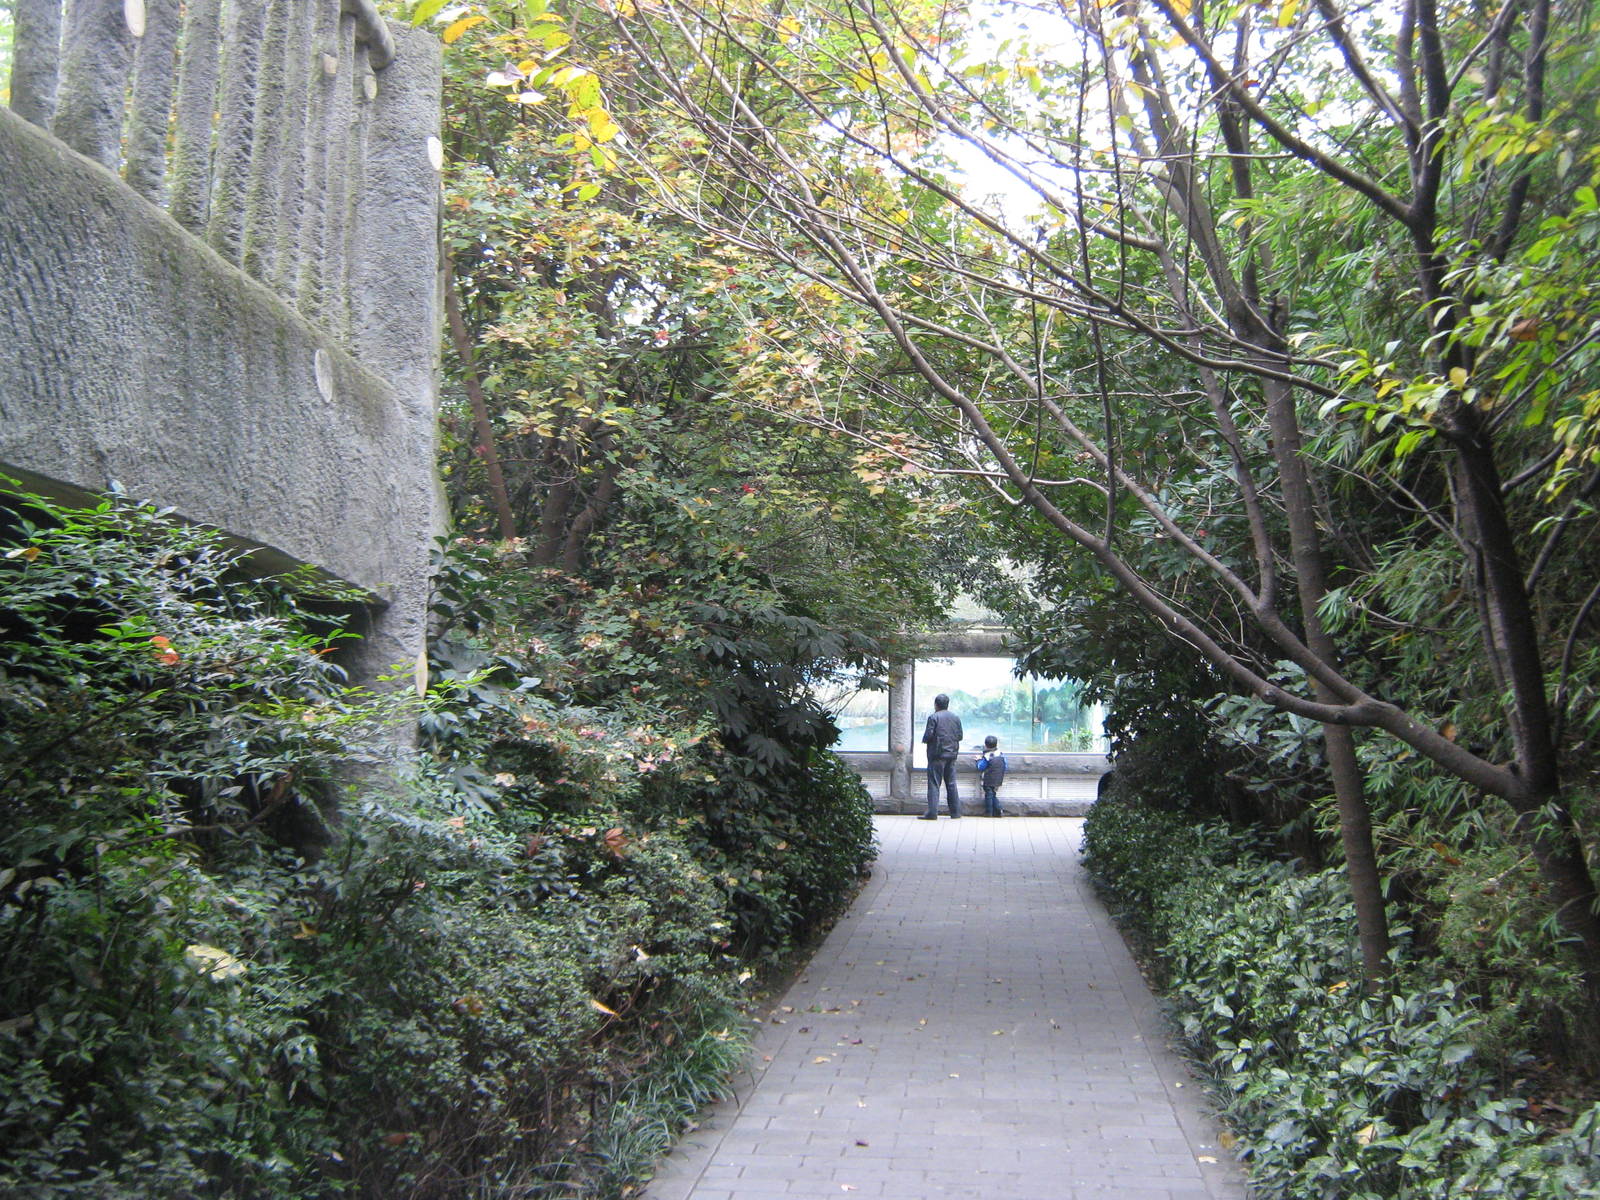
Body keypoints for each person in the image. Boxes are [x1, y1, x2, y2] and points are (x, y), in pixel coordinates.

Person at [919, 693, 963, 819]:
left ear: (936, 704)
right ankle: (955, 812)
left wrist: (925, 740)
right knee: (951, 783)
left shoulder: (933, 717)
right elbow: (960, 736)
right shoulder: (956, 718)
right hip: (952, 754)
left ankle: (932, 813)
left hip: (937, 755)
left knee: (934, 783)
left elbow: (928, 735)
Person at [974, 735, 1007, 817]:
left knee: (989, 795)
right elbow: (1005, 765)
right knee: (993, 794)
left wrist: (978, 760)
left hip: (989, 779)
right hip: (999, 777)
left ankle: (989, 812)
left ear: (986, 745)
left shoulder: (987, 756)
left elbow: (980, 767)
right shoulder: (1000, 754)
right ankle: (998, 810)